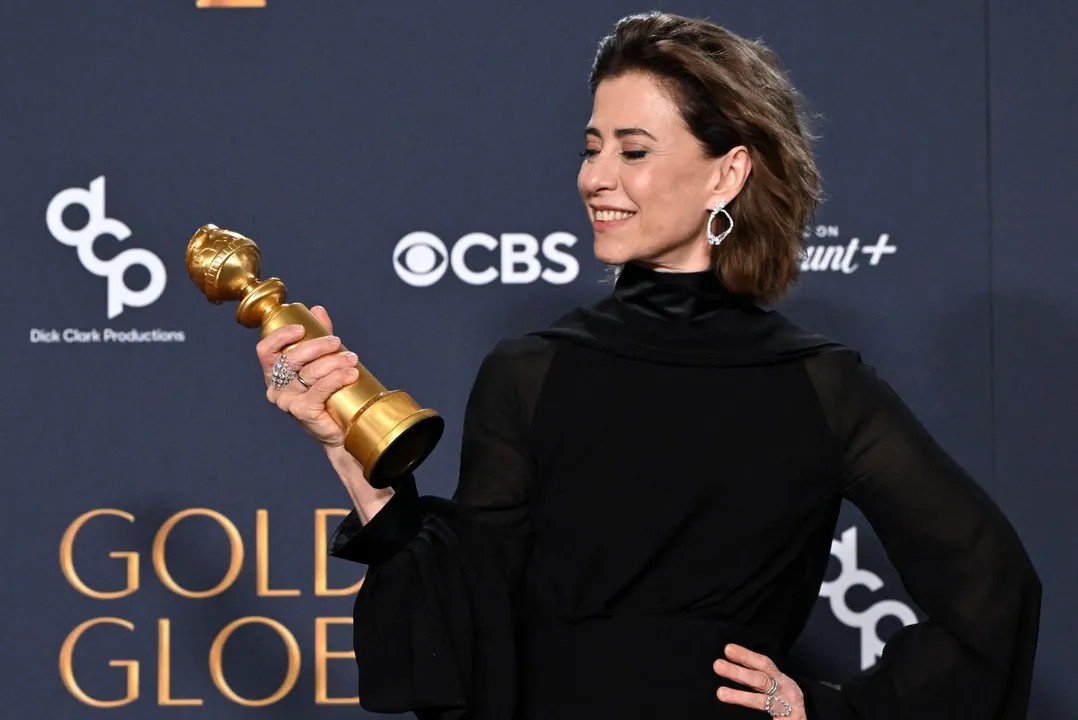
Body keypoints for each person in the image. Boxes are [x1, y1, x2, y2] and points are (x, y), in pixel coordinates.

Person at [255, 11, 1041, 720]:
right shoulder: (531, 373)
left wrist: (829, 711)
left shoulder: (823, 387)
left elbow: (994, 594)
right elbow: (465, 626)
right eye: (592, 147)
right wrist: (345, 445)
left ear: (726, 174)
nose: (597, 177)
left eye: (633, 150)